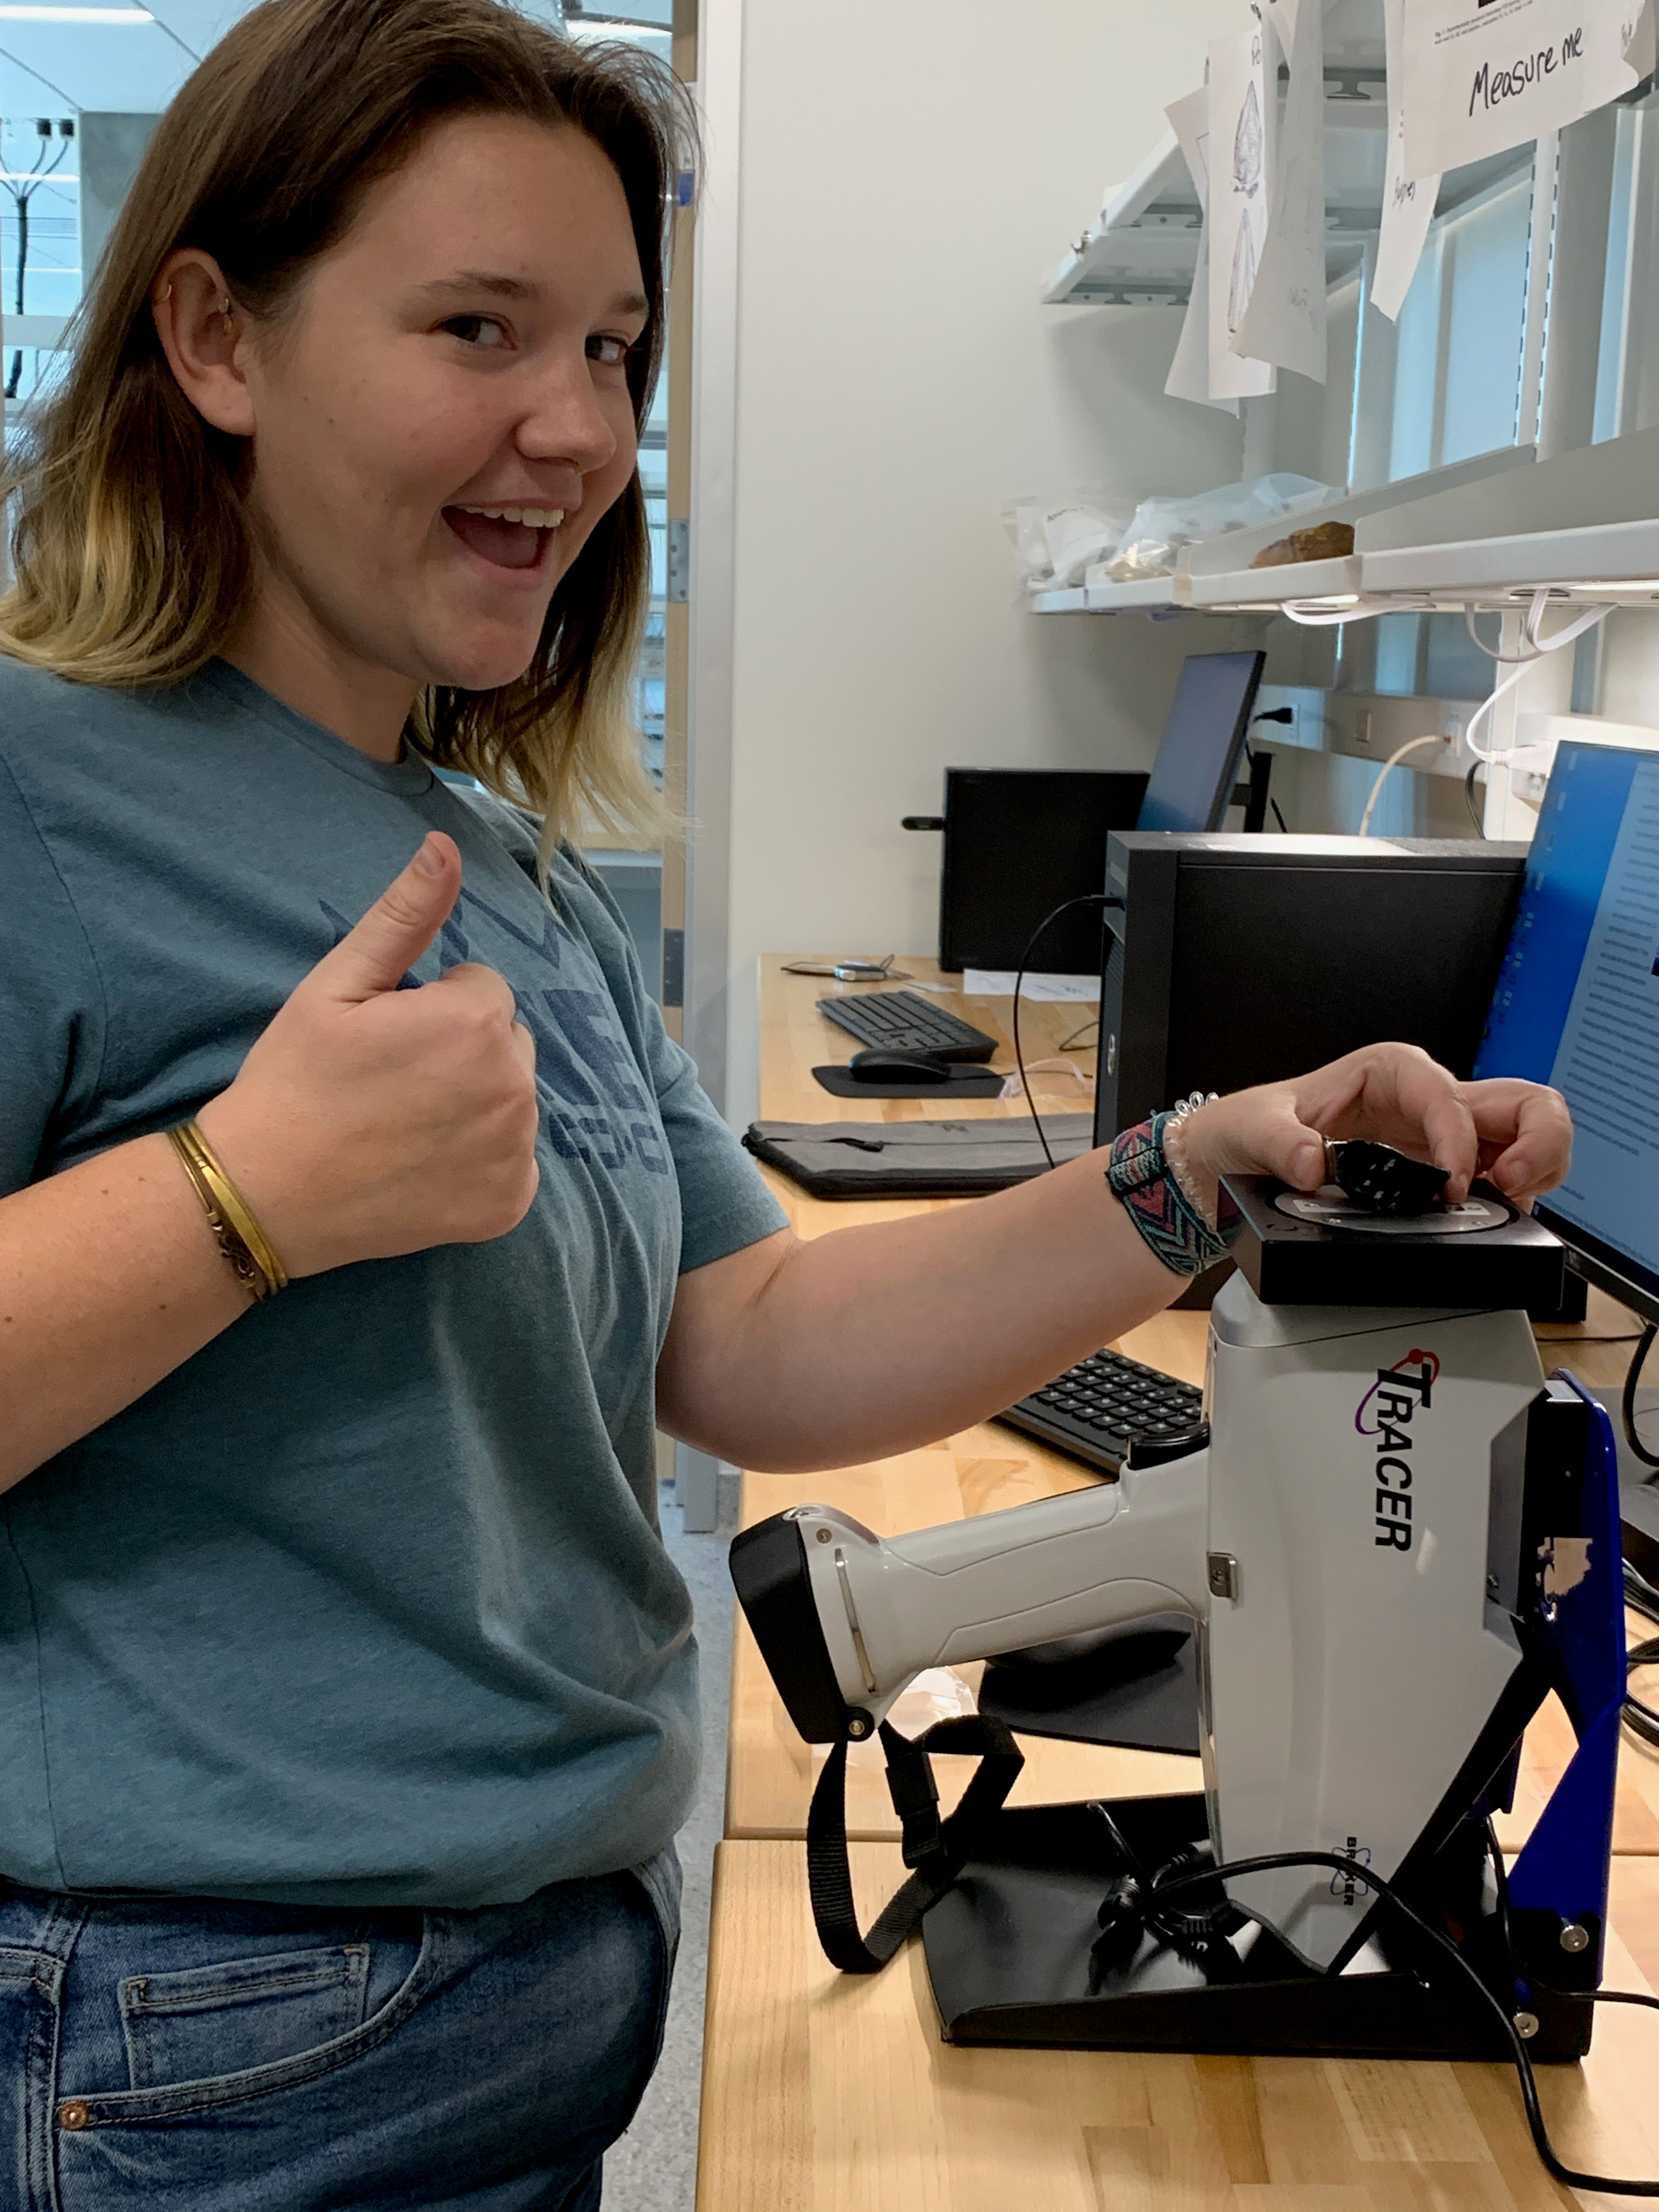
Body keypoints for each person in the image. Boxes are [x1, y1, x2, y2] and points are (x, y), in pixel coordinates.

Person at [0, 0, 1572, 2203]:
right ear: (217, 339)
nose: (572, 427)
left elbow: (740, 1345)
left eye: (617, 351)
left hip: (524, 1989)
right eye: (478, 326)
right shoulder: (39, 788)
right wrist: (245, 1196)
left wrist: (1208, 1162)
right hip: (214, 2052)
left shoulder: (482, 840)